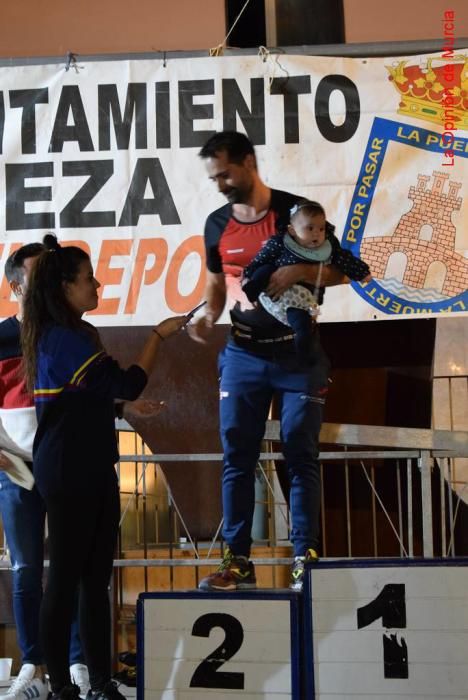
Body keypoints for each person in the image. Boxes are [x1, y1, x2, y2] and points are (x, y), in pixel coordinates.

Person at [20, 234, 187, 700]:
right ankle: (61, 688)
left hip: (93, 464)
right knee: (66, 578)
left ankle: (99, 682)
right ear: (65, 286)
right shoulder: (62, 337)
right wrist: (157, 336)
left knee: (96, 580)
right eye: (89, 279)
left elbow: (94, 398)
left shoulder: (75, 335)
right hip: (68, 470)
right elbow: (127, 382)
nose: (97, 286)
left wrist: (123, 411)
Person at [189, 130, 351, 592]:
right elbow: (217, 285)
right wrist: (207, 316)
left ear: (248, 163)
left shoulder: (296, 213)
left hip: (297, 355)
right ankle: (237, 561)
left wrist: (299, 269)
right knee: (237, 457)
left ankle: (305, 559)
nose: (219, 184)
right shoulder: (216, 223)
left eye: (224, 174)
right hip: (241, 352)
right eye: (213, 177)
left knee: (300, 453)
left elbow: (341, 269)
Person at [0, 243, 89, 700]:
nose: (52, 285)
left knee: (69, 568)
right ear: (16, 286)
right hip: (15, 472)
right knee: (26, 570)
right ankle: (31, 663)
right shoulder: (1, 338)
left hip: (65, 468)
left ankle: (76, 663)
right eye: (40, 276)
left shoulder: (70, 333)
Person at [242, 199, 371, 364]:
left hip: (299, 301)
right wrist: (248, 275)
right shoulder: (280, 242)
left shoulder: (330, 248)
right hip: (270, 291)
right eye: (309, 228)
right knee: (264, 269)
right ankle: (250, 291)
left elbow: (346, 260)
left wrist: (362, 273)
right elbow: (260, 259)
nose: (316, 233)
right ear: (292, 230)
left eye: (321, 228)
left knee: (303, 328)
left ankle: (304, 355)